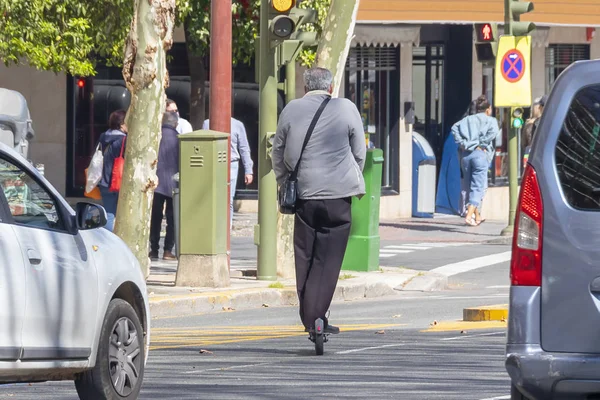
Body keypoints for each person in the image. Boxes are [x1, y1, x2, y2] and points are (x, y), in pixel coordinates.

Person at [272, 67, 366, 336]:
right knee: (329, 257)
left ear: (305, 87)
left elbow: (278, 152)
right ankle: (316, 316)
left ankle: (312, 316)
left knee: (305, 255)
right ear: (331, 86)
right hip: (338, 196)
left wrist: (283, 181)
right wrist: (348, 177)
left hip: (305, 194)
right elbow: (359, 152)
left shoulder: (291, 109)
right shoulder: (346, 108)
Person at [451, 95, 499, 226]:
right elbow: (494, 132)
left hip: (466, 154)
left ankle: (477, 216)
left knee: (468, 185)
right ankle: (469, 215)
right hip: (480, 154)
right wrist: (481, 144)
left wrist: (463, 143)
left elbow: (454, 128)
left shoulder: (466, 120)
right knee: (478, 187)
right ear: (488, 109)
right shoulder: (491, 120)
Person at [202, 116, 253, 229]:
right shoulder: (207, 123)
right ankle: (212, 228)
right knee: (211, 197)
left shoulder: (237, 125)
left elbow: (244, 147)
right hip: (212, 163)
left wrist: (248, 170)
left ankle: (226, 230)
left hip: (232, 163)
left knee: (228, 199)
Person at [149, 111, 180, 261]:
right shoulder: (179, 139)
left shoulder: (155, 137)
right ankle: (168, 250)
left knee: (155, 217)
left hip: (156, 183)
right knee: (172, 219)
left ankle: (153, 249)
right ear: (176, 123)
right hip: (174, 184)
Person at [97, 109, 127, 232]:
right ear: (121, 125)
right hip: (119, 181)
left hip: (104, 181)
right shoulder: (124, 140)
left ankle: (107, 238)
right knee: (121, 214)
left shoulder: (103, 136)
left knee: (108, 213)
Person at [521, 95, 547, 168]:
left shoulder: (532, 124)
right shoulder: (556, 122)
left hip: (535, 159)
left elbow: (525, 144)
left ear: (540, 108)